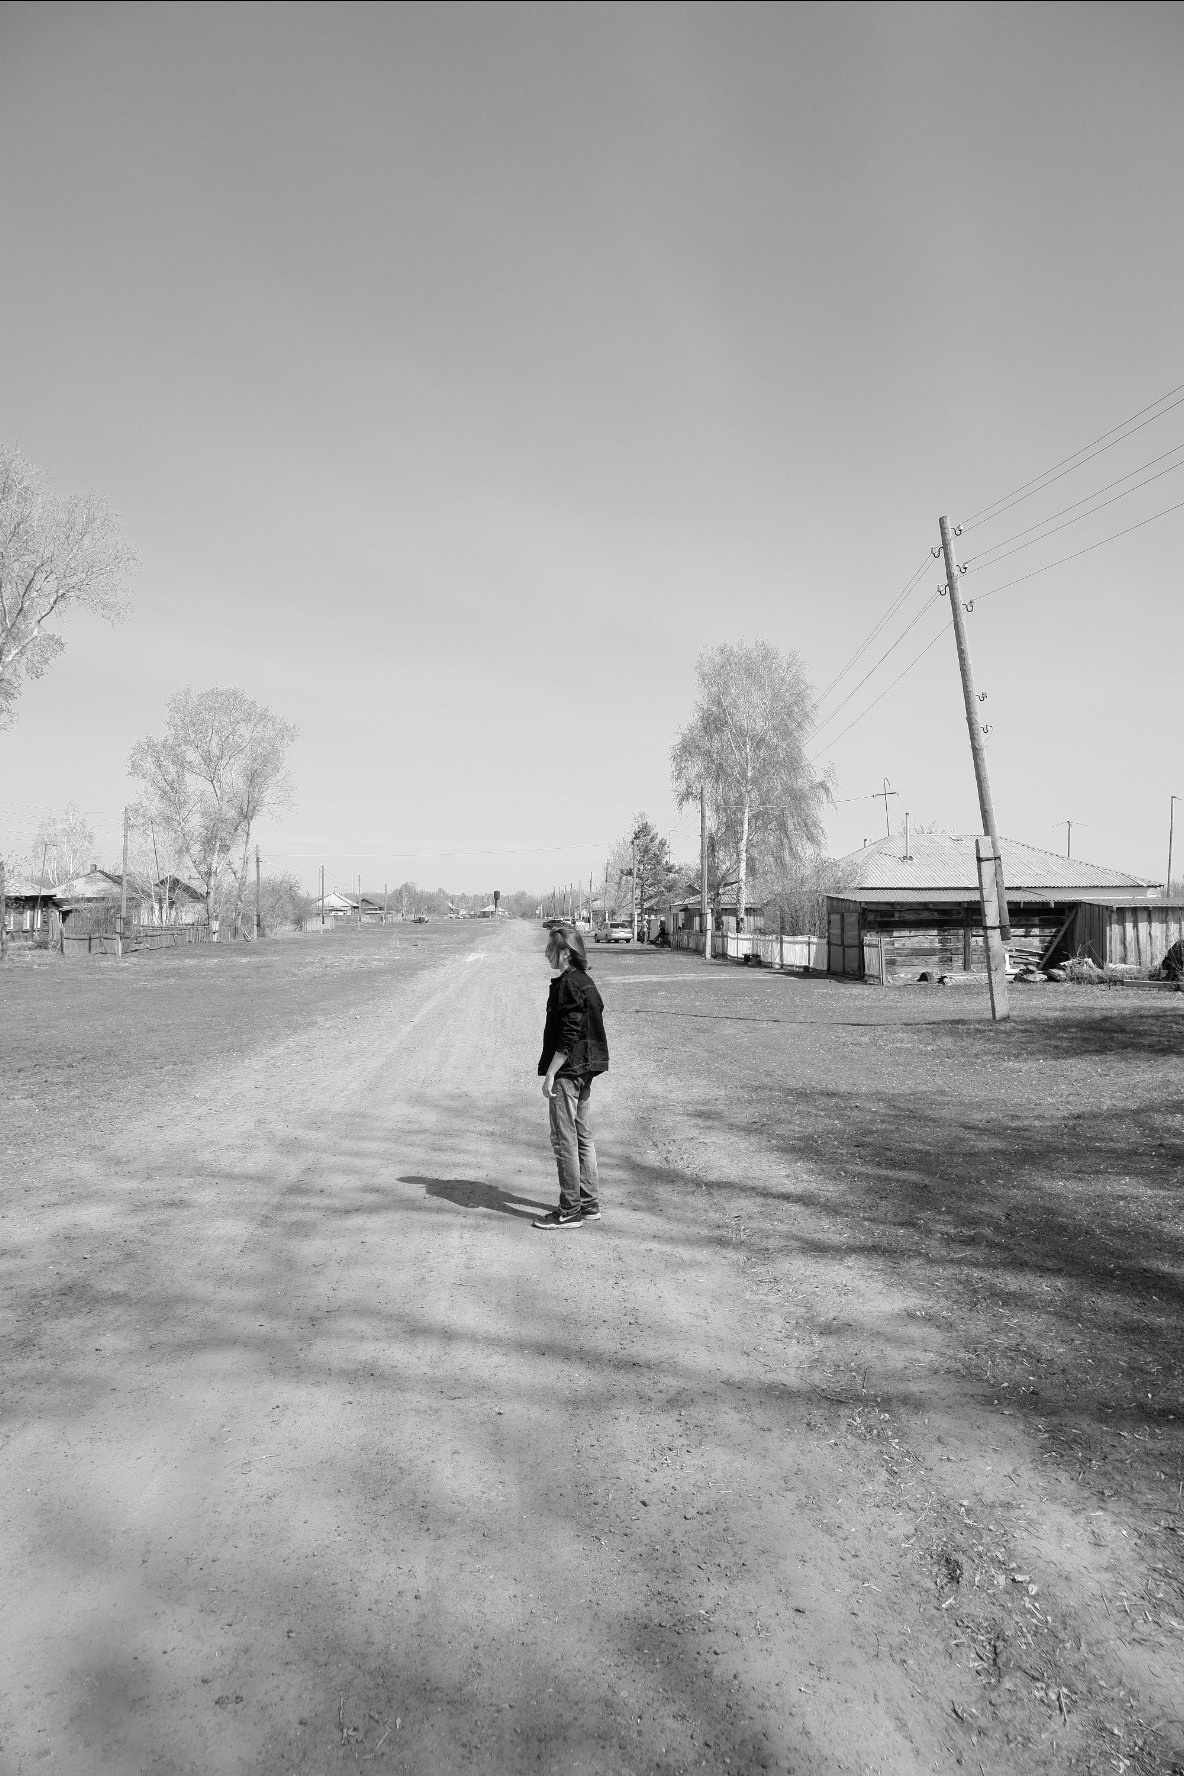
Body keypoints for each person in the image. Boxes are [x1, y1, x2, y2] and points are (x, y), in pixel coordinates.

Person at [533, 923, 609, 1229]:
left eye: (552, 949)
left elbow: (569, 1033)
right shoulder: (586, 982)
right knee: (582, 1137)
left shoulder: (569, 984)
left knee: (565, 1140)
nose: (548, 955)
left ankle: (570, 1210)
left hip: (569, 1070)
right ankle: (589, 1205)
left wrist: (551, 1073)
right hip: (587, 1068)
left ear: (566, 952)